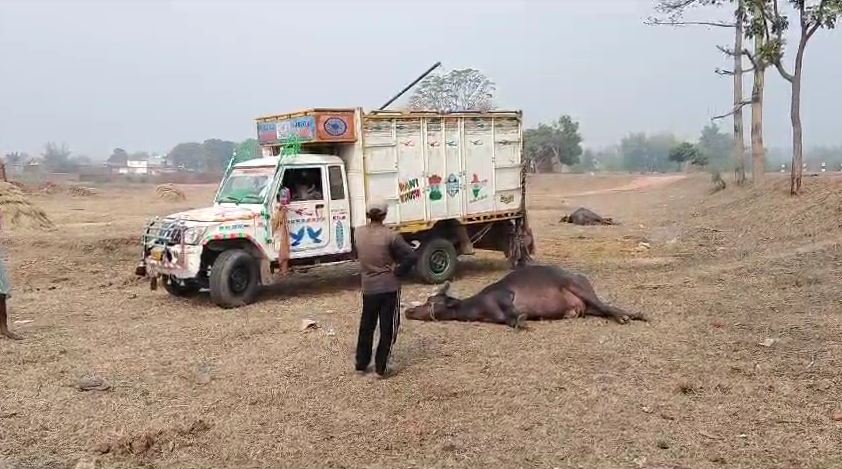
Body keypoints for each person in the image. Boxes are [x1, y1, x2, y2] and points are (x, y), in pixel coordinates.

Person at [353, 199, 417, 378]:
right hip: (389, 287)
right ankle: (381, 367)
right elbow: (411, 256)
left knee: (367, 325)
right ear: (384, 215)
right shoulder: (391, 236)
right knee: (388, 327)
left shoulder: (358, 233)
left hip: (368, 288)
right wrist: (398, 270)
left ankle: (361, 363)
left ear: (367, 215)